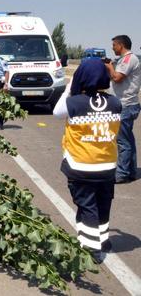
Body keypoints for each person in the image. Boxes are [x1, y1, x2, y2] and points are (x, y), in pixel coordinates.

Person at [53, 60, 121, 262]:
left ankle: (92, 248)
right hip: (107, 166)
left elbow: (56, 113)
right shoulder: (115, 103)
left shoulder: (74, 103)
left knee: (87, 206)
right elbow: (112, 98)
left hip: (81, 165)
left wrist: (69, 88)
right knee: (103, 203)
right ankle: (103, 239)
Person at [104, 35, 141, 183]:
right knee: (128, 140)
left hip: (126, 105)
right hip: (125, 104)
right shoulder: (123, 60)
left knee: (122, 142)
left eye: (114, 45)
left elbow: (118, 77)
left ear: (121, 45)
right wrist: (110, 67)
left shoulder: (128, 59)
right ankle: (131, 171)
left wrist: (110, 67)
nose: (112, 48)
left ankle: (122, 173)